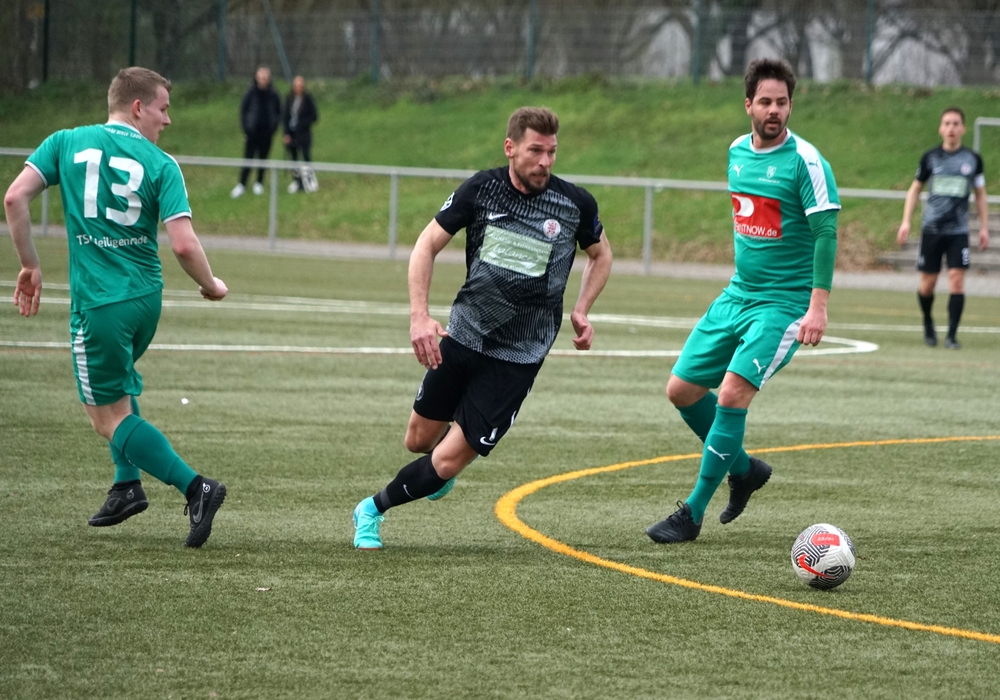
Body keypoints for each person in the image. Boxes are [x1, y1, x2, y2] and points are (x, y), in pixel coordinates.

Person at [352, 107, 613, 550]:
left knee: (445, 463)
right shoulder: (481, 190)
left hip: (518, 357)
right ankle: (441, 456)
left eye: (552, 152)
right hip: (464, 335)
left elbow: (601, 254)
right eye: (535, 151)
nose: (545, 162)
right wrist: (419, 316)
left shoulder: (574, 204)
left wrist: (583, 308)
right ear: (510, 148)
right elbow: (426, 245)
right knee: (418, 441)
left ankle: (371, 510)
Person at [4, 67, 230, 548]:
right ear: (138, 107)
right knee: (119, 388)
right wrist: (210, 284)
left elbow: (15, 198)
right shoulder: (162, 163)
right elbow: (183, 245)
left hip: (100, 305)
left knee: (105, 418)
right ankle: (127, 484)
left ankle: (196, 487)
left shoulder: (64, 142)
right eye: (163, 109)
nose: (167, 120)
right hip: (145, 300)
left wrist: (30, 265)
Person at [646, 58, 840, 544]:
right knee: (681, 390)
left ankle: (691, 513)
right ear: (748, 104)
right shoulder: (736, 152)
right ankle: (745, 469)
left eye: (782, 102)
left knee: (732, 394)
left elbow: (826, 232)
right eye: (765, 102)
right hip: (738, 294)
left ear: (791, 105)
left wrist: (817, 306)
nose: (774, 110)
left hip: (783, 304)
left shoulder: (806, 162)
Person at [896, 107, 990, 350]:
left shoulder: (973, 159)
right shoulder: (930, 157)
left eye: (956, 123)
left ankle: (951, 336)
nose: (951, 128)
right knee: (927, 285)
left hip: (958, 232)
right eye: (947, 123)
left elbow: (980, 194)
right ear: (940, 128)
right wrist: (906, 221)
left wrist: (984, 227)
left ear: (963, 129)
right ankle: (928, 321)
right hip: (932, 230)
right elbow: (915, 189)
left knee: (957, 281)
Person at [231, 66, 281, 198]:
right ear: (257, 78)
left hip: (267, 132)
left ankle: (259, 183)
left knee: (263, 158)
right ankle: (242, 184)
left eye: (265, 77)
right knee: (248, 158)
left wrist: (274, 127)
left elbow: (278, 112)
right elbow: (243, 111)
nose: (263, 79)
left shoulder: (273, 95)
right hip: (252, 132)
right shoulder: (250, 93)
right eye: (261, 77)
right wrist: (246, 128)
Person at [282, 75, 319, 194]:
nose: (298, 88)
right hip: (292, 134)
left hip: (304, 134)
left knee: (306, 158)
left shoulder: (308, 99)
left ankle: (310, 181)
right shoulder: (289, 99)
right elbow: (285, 117)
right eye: (296, 85)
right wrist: (286, 133)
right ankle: (297, 181)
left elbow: (314, 116)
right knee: (294, 160)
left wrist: (302, 124)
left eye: (300, 86)